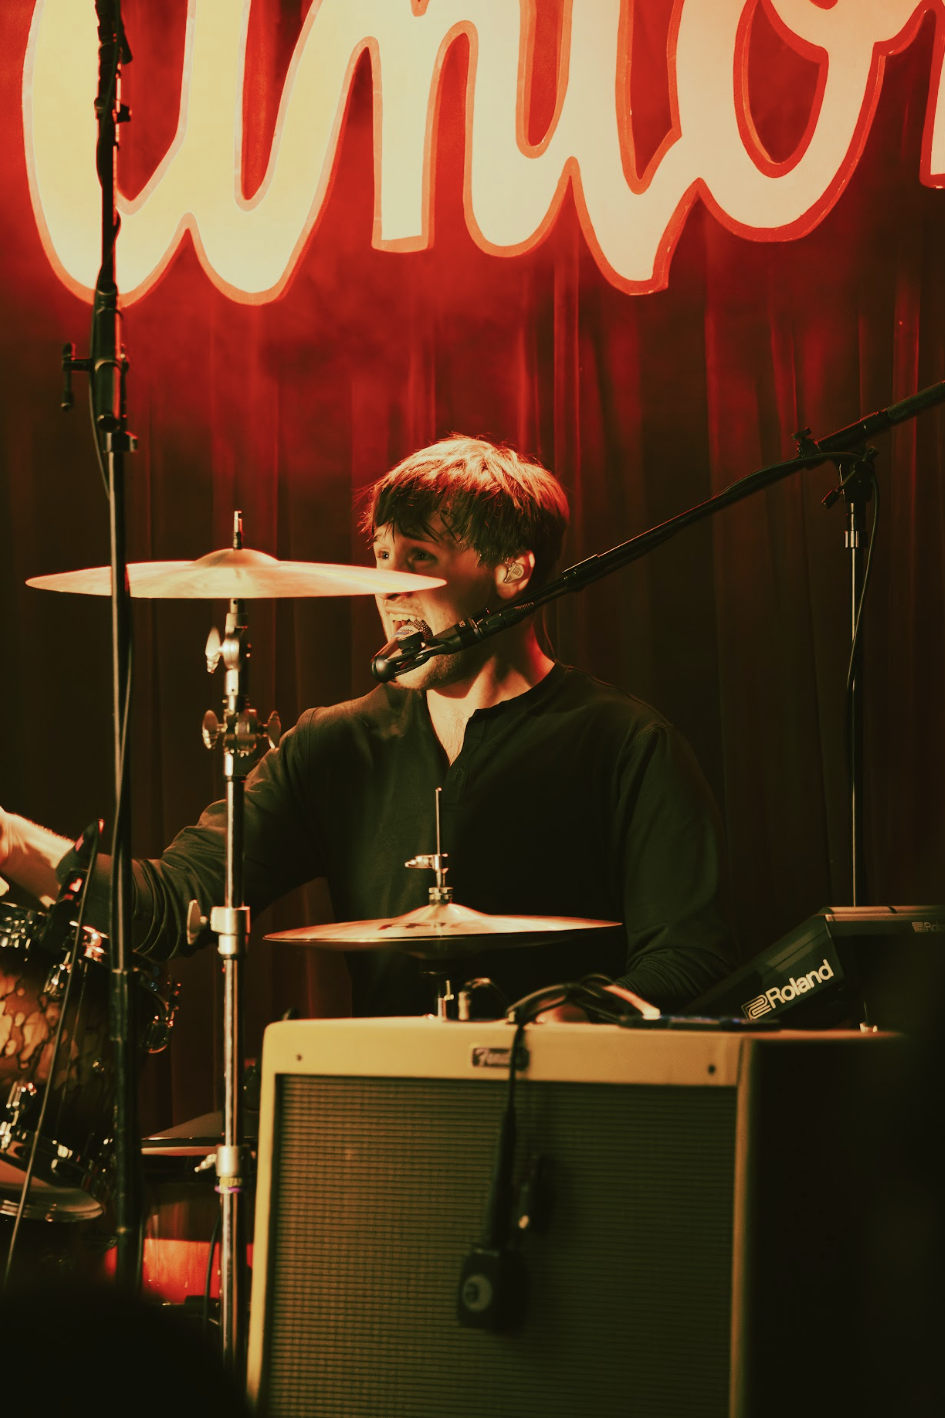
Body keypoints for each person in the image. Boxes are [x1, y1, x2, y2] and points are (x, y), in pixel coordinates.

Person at [0, 436, 735, 1016]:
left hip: (574, 1125)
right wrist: (11, 842)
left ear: (512, 571)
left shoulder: (624, 743)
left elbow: (689, 955)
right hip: (383, 1127)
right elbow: (167, 908)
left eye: (419, 559)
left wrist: (580, 1018)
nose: (389, 591)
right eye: (381, 557)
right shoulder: (333, 746)